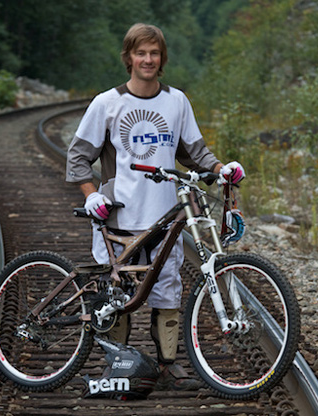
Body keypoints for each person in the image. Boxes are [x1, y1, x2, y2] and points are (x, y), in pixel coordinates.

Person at [66, 23, 245, 391]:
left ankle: (167, 368)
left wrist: (219, 169)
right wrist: (91, 195)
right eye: (140, 53)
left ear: (162, 59)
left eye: (154, 53)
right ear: (129, 57)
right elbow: (78, 158)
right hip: (118, 217)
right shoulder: (107, 103)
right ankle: (118, 366)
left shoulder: (176, 101)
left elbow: (195, 152)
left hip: (164, 219)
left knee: (167, 294)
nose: (148, 60)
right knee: (117, 298)